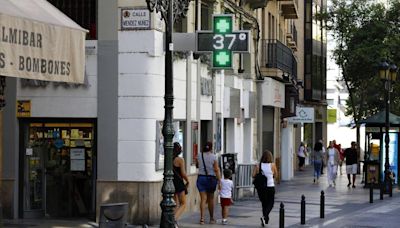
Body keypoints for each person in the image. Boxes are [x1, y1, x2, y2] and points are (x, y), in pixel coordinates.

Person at [196, 142, 221, 225]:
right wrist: (219, 180)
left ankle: (202, 219)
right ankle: (211, 218)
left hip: (201, 178)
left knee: (203, 199)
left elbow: (197, 165)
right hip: (211, 178)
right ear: (211, 148)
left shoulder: (199, 155)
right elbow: (216, 169)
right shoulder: (214, 157)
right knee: (210, 199)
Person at [252, 150, 278, 227]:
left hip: (261, 188)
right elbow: (276, 175)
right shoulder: (273, 165)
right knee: (271, 203)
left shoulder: (258, 165)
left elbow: (253, 175)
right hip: (270, 186)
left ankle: (265, 220)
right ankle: (265, 217)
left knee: (264, 204)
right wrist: (271, 176)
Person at [172, 142, 189, 227]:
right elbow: (183, 173)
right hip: (178, 183)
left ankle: (172, 220)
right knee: (183, 203)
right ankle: (173, 220)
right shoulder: (180, 160)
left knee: (175, 203)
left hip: (171, 182)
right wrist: (188, 180)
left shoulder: (169, 159)